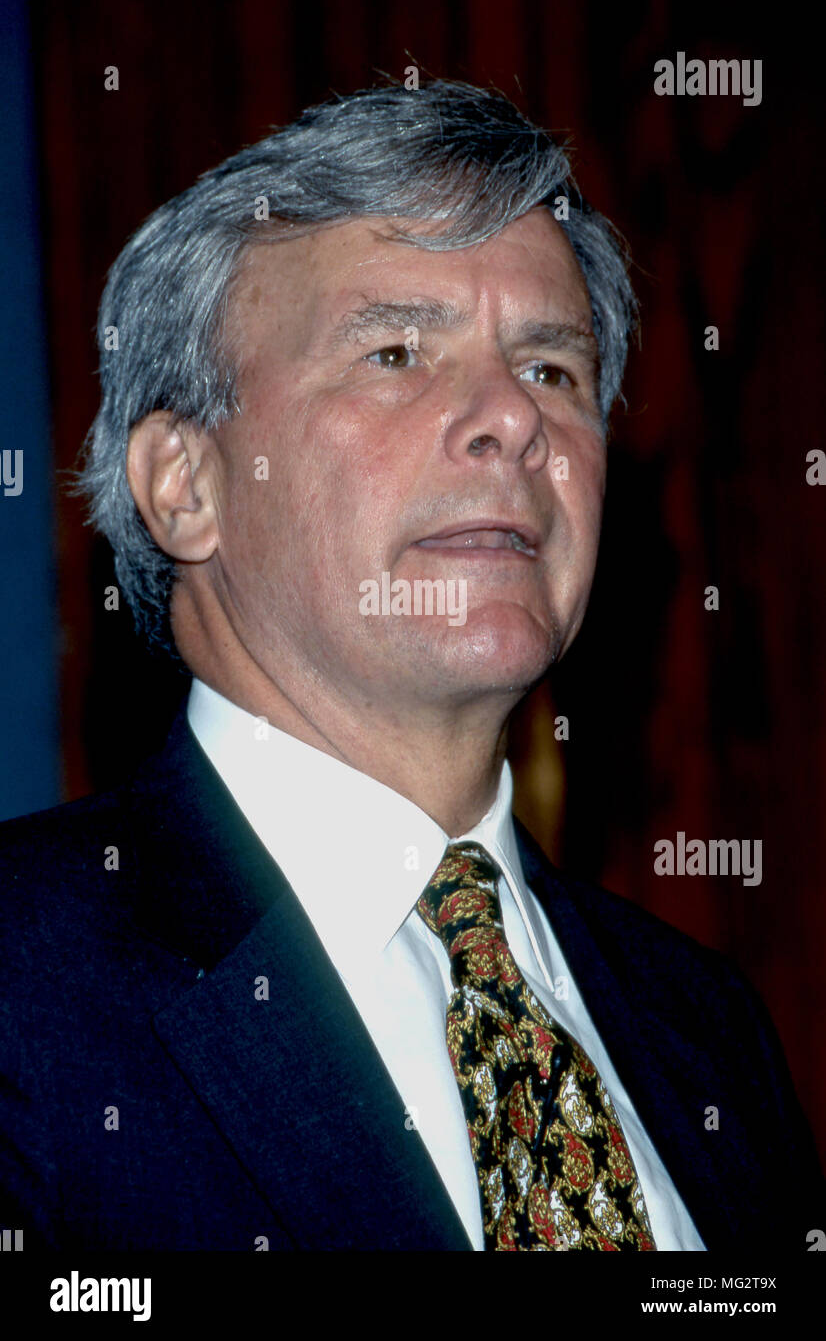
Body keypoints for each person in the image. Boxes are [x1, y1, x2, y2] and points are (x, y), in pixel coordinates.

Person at [0, 79, 822, 1253]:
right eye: (396, 351)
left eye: (553, 370)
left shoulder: (709, 1032)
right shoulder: (23, 987)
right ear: (185, 486)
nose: (510, 421)